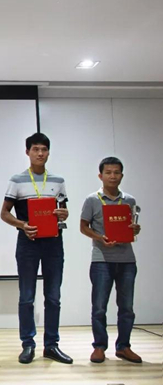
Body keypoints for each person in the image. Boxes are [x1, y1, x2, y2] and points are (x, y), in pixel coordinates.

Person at [0, 133, 73, 364]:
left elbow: (63, 211)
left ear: (49, 152)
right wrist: (23, 225)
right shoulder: (17, 180)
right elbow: (4, 213)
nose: (40, 153)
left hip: (53, 243)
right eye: (35, 149)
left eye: (44, 149)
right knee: (27, 297)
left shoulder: (58, 181)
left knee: (53, 297)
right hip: (28, 243)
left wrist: (64, 213)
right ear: (27, 152)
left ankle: (51, 345)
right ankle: (28, 344)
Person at [80, 156, 142, 364]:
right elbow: (83, 227)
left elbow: (131, 227)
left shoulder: (129, 200)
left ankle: (124, 347)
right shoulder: (92, 199)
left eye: (116, 172)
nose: (112, 176)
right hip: (101, 260)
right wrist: (99, 238)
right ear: (101, 176)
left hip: (127, 260)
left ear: (122, 176)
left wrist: (135, 229)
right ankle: (99, 347)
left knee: (127, 307)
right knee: (99, 307)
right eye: (108, 172)